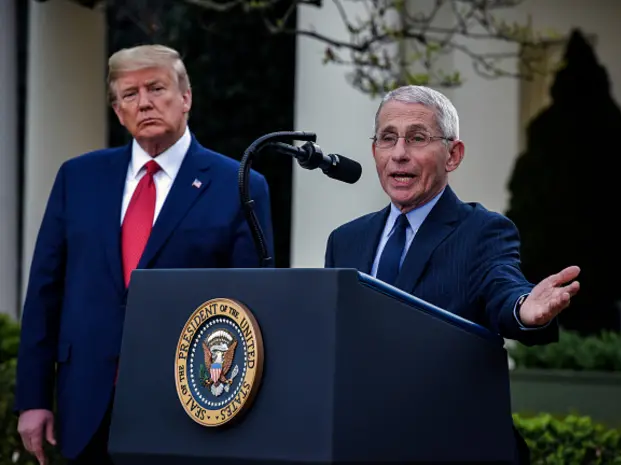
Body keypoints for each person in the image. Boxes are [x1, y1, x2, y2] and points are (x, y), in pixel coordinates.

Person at [14, 44, 274, 465]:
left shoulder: (239, 185)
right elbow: (45, 292)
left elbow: (252, 309)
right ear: (118, 111)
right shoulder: (77, 178)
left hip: (188, 408)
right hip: (85, 404)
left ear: (186, 97)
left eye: (156, 88)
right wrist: (33, 398)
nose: (145, 102)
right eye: (130, 94)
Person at [323, 85, 580, 464]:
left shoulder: (482, 231)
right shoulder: (345, 240)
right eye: (387, 138)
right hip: (364, 445)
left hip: (453, 445)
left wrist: (523, 309)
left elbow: (502, 285)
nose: (399, 154)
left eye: (417, 138)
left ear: (453, 154)